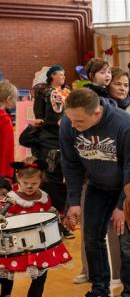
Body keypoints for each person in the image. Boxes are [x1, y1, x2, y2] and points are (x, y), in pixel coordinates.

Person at [60, 88, 130, 297]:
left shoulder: (123, 123)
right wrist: (74, 201)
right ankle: (100, 291)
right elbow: (70, 164)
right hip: (97, 186)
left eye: (79, 121)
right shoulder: (68, 123)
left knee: (127, 242)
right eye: (71, 120)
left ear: (96, 113)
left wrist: (122, 206)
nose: (74, 126)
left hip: (127, 188)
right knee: (90, 238)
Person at [0, 159, 72, 297]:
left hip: (39, 244)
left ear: (42, 180)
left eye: (35, 183)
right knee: (6, 271)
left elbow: (46, 213)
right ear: (18, 178)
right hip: (17, 245)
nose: (30, 187)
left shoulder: (44, 196)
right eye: (26, 183)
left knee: (41, 275)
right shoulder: (10, 199)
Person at [28, 66, 68, 214]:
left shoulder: (67, 91)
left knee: (65, 175)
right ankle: (54, 213)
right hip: (49, 139)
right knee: (52, 177)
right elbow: (39, 115)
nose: (64, 76)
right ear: (52, 76)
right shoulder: (44, 92)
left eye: (64, 74)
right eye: (60, 74)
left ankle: (64, 212)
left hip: (65, 137)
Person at [0, 80, 18, 181]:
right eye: (15, 99)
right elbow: (7, 149)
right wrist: (8, 174)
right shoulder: (5, 119)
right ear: (8, 99)